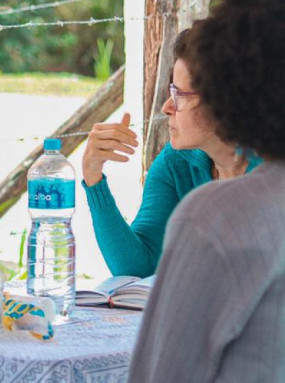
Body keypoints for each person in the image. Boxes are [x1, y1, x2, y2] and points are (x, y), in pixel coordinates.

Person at [129, 1, 285, 381]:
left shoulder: (214, 216)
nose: (167, 106)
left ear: (225, 97)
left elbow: (162, 374)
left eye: (178, 93)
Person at [80, 28, 261, 278]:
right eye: (169, 92)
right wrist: (93, 178)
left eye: (178, 95)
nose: (166, 107)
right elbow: (136, 268)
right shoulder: (177, 162)